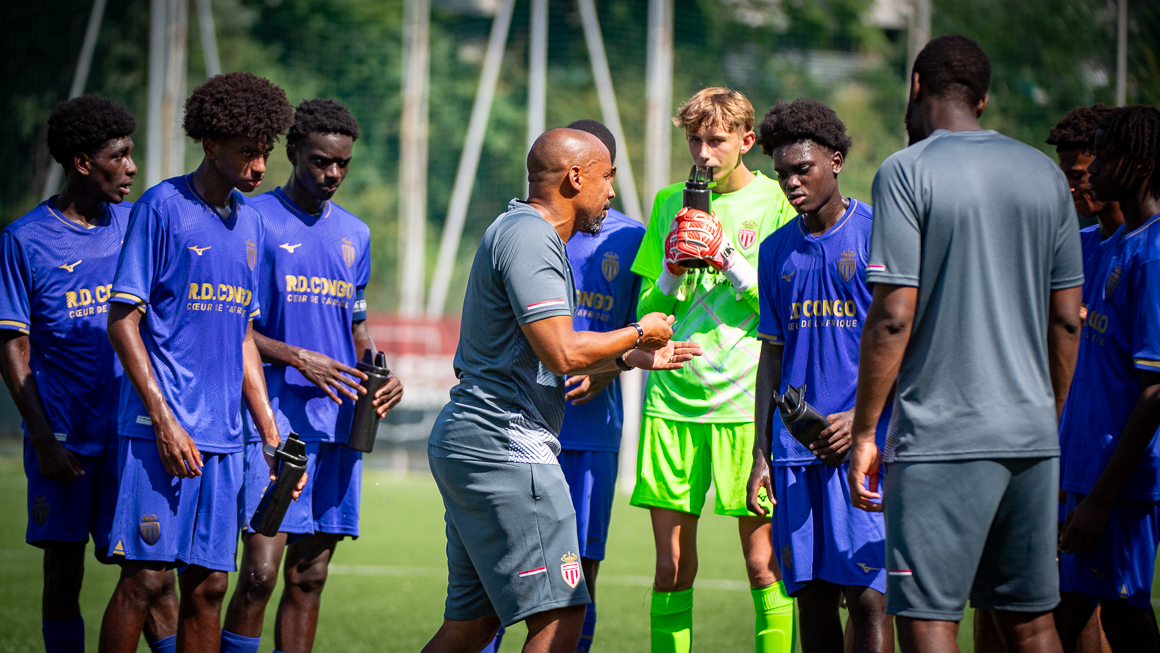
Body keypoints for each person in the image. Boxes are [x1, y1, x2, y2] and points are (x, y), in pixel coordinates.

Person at [847, 34, 1084, 653]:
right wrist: (1048, 420)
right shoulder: (1043, 173)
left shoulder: (906, 170)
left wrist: (867, 431)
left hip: (941, 441)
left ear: (916, 87)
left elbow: (894, 315)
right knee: (1032, 624)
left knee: (930, 621)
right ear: (983, 102)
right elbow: (1067, 321)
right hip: (1032, 439)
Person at [422, 127, 701, 653]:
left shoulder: (518, 229)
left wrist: (631, 357)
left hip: (474, 439)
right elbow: (563, 353)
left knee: (474, 626)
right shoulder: (532, 236)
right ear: (575, 177)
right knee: (562, 614)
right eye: (607, 177)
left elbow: (541, 351)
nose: (612, 192)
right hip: (507, 445)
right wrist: (642, 331)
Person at [98, 72, 302, 653]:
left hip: (223, 438)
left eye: (265, 152)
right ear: (209, 144)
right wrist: (164, 421)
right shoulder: (161, 207)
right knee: (143, 580)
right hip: (157, 432)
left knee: (211, 585)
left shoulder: (253, 221)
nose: (260, 166)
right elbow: (122, 321)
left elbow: (241, 333)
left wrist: (268, 431)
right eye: (247, 152)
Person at [220, 98, 404, 653]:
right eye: (321, 161)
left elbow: (357, 325)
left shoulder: (356, 233)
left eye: (342, 164)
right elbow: (233, 329)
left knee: (310, 576)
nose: (332, 174)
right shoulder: (253, 219)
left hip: (339, 424)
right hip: (275, 421)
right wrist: (299, 357)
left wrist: (377, 367)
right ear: (293, 152)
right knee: (259, 574)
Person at [0, 96, 178, 653]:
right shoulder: (25, 240)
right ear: (83, 163)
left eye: (131, 154)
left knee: (155, 577)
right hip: (67, 439)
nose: (131, 168)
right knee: (63, 575)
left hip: (131, 435)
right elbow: (12, 346)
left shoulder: (137, 223)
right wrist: (43, 437)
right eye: (119, 156)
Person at [628, 87, 796, 653]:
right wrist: (673, 270)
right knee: (671, 568)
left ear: (746, 141)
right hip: (671, 403)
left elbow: (780, 309)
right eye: (694, 140)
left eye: (716, 140)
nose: (702, 152)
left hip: (745, 406)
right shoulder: (667, 201)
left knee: (762, 566)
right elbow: (647, 313)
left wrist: (726, 258)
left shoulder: (776, 202)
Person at [746, 98, 892, 653]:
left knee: (868, 596)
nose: (791, 182)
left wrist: (860, 420)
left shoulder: (880, 233)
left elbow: (907, 342)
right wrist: (762, 451)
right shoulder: (775, 250)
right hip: (794, 453)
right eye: (782, 173)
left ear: (835, 160)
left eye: (802, 169)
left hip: (863, 446)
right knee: (810, 596)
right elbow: (772, 358)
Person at [1054, 105, 1160, 653]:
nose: (1092, 170)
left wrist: (1100, 497)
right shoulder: (1117, 243)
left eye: (1106, 155)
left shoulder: (1155, 251)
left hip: (1119, 483)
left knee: (1119, 614)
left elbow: (1156, 389)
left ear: (1139, 162)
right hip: (1087, 473)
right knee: (1083, 615)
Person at [1044, 103, 1123, 653]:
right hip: (1066, 460)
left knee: (1107, 609)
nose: (1075, 189)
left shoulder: (1146, 249)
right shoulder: (1079, 247)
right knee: (1064, 605)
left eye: (1080, 175)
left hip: (1116, 468)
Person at [1047, 104, 1125, 301]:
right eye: (1063, 177)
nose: (1067, 187)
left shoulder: (1150, 248)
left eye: (1076, 175)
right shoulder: (1077, 245)